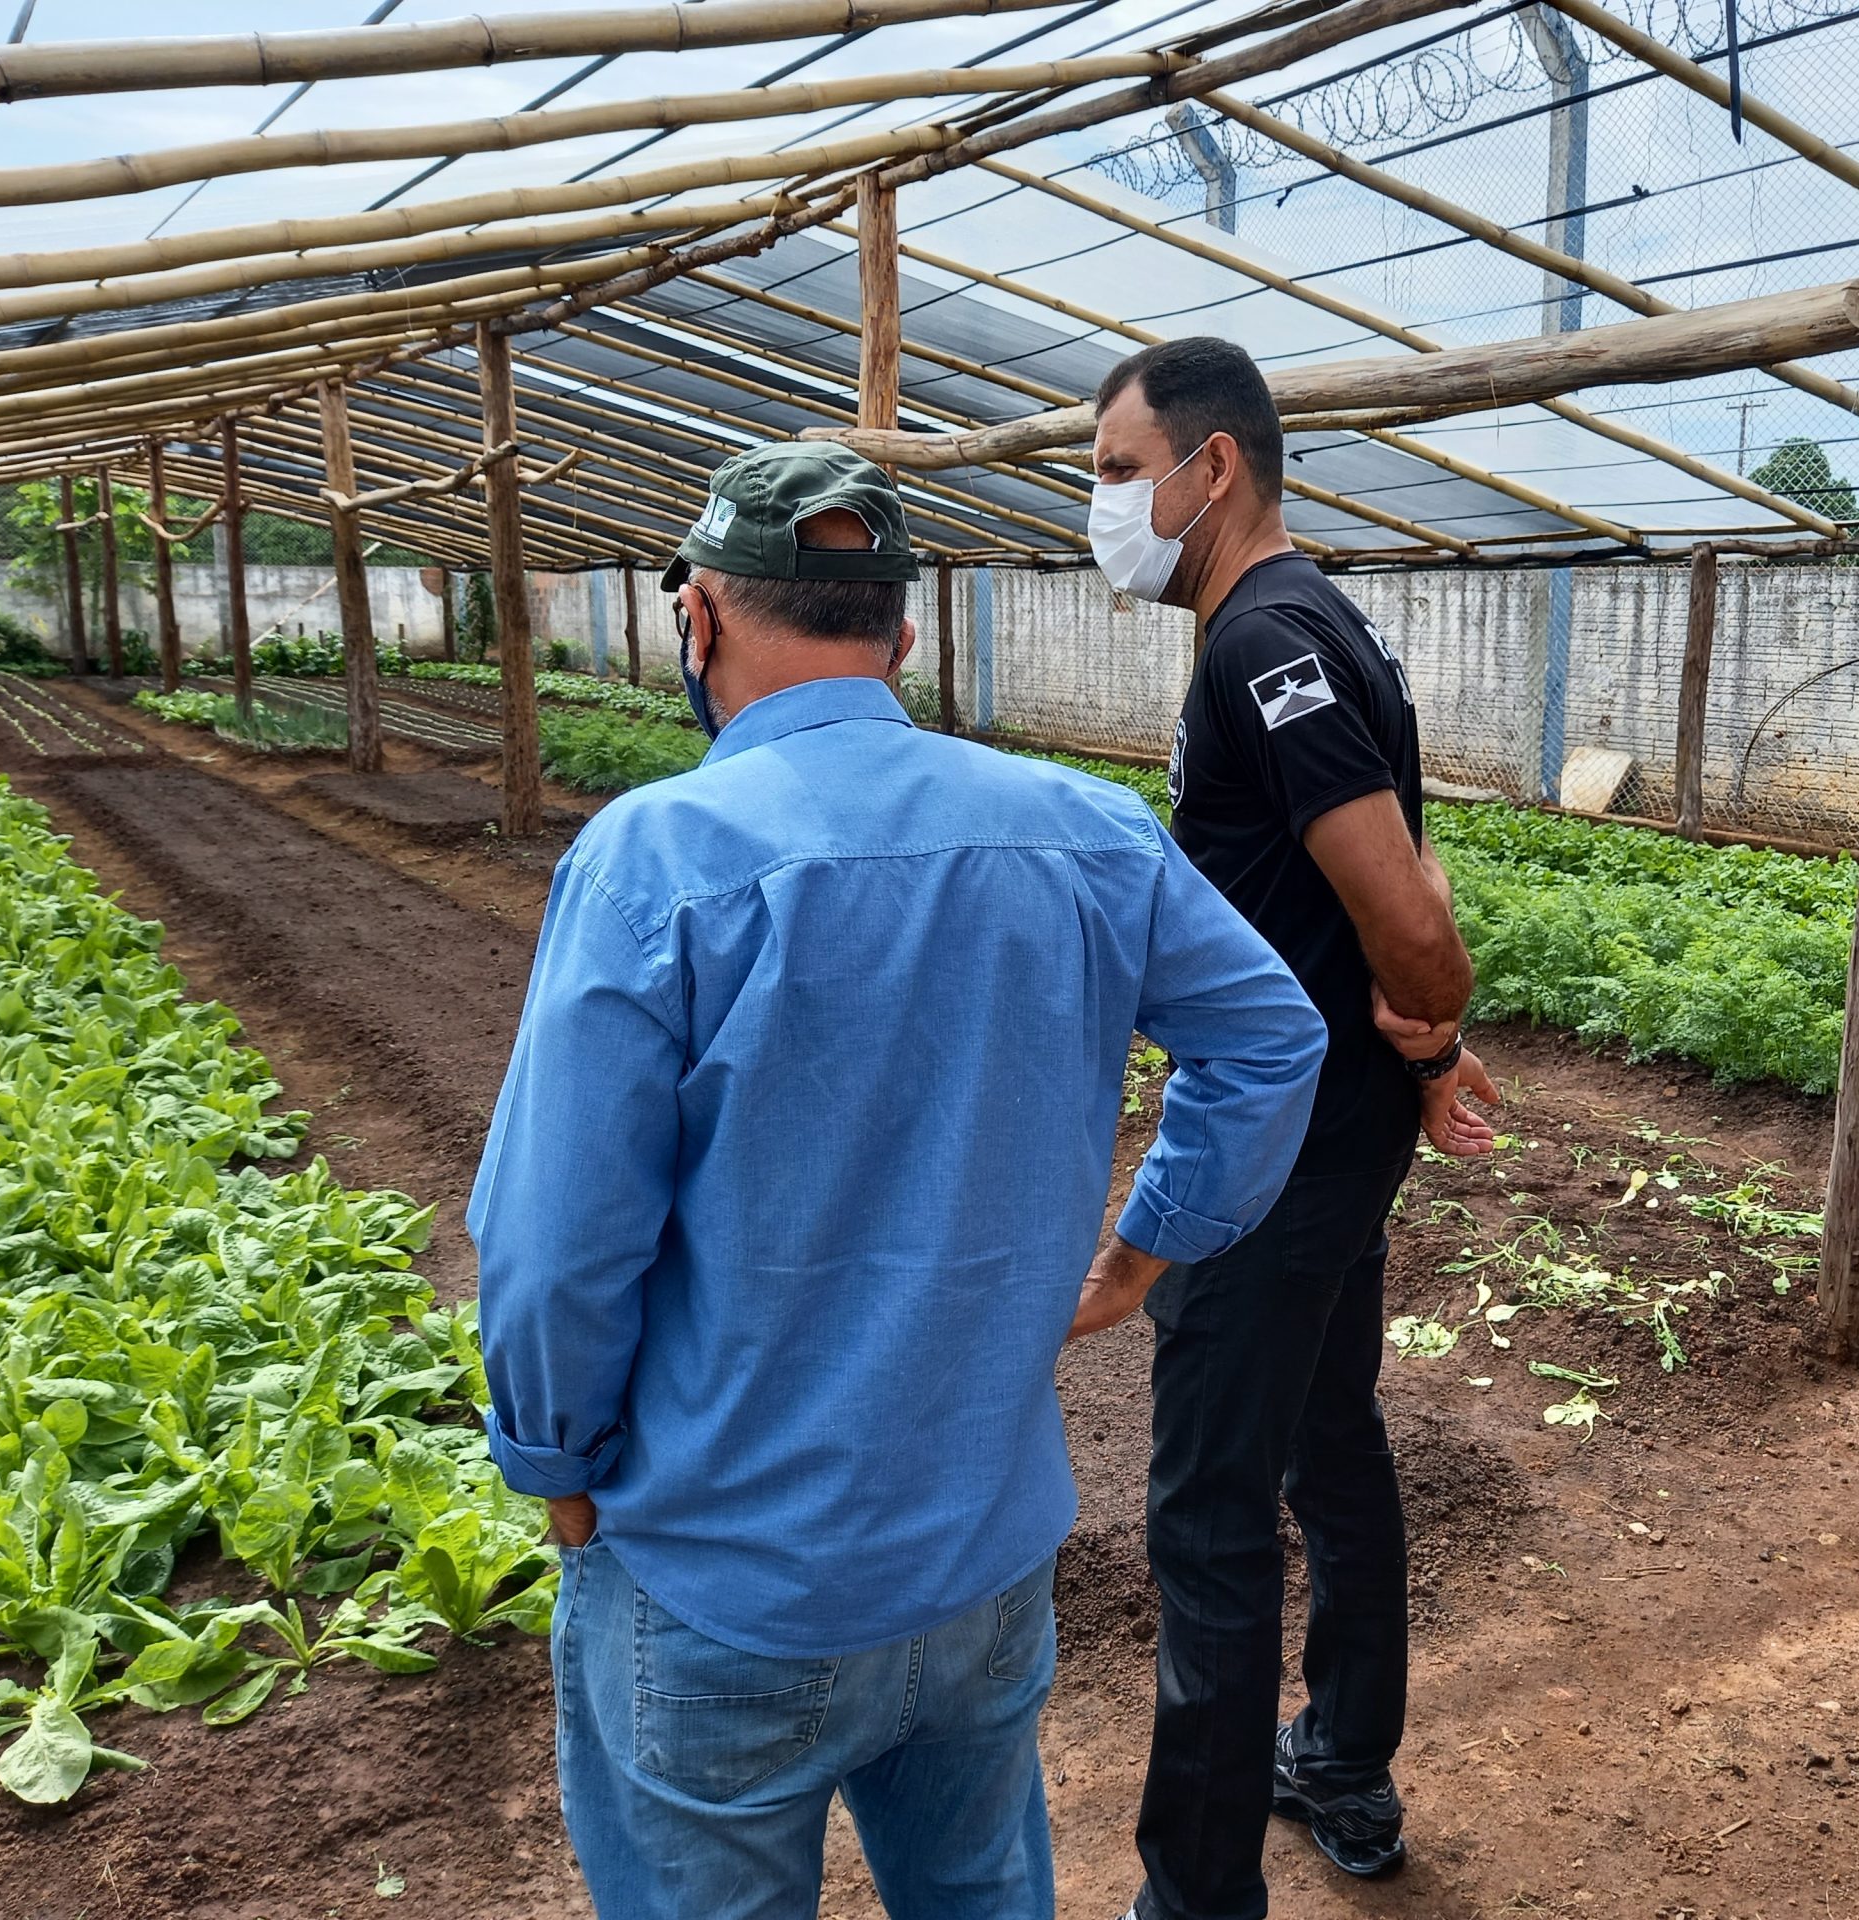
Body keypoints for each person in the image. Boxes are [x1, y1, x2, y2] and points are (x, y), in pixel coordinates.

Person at [469, 441, 1330, 1920]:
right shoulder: (1085, 829)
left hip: (727, 1579)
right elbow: (1269, 1037)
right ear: (905, 636)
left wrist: (555, 1463)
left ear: (698, 621)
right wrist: (1144, 1251)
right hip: (980, 1565)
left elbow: (555, 1245)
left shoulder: (653, 862)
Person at [1087, 338, 1500, 1920]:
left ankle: (1197, 1898)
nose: (1104, 505)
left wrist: (1433, 1022)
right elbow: (1393, 865)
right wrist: (1414, 1048)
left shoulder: (1265, 639)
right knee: (1330, 1434)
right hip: (1331, 1127)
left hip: (1276, 1146)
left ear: (1215, 469)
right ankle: (1340, 1759)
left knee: (1209, 1508)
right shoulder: (1312, 618)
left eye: (1121, 471)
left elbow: (1409, 913)